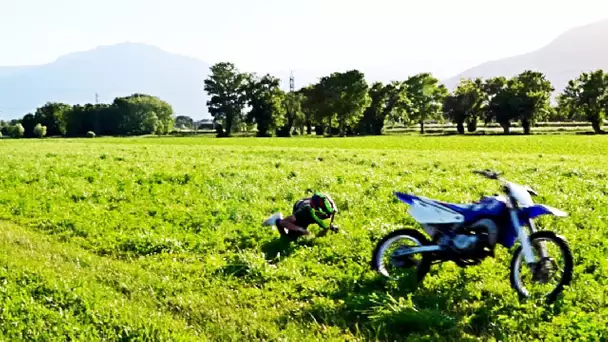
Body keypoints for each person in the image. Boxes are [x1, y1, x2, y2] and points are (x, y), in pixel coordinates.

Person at [262, 192, 339, 240]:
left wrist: (331, 224)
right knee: (290, 238)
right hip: (300, 206)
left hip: (308, 205)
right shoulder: (304, 212)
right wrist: (301, 230)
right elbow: (285, 223)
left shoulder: (329, 206)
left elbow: (326, 196)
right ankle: (277, 219)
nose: (327, 215)